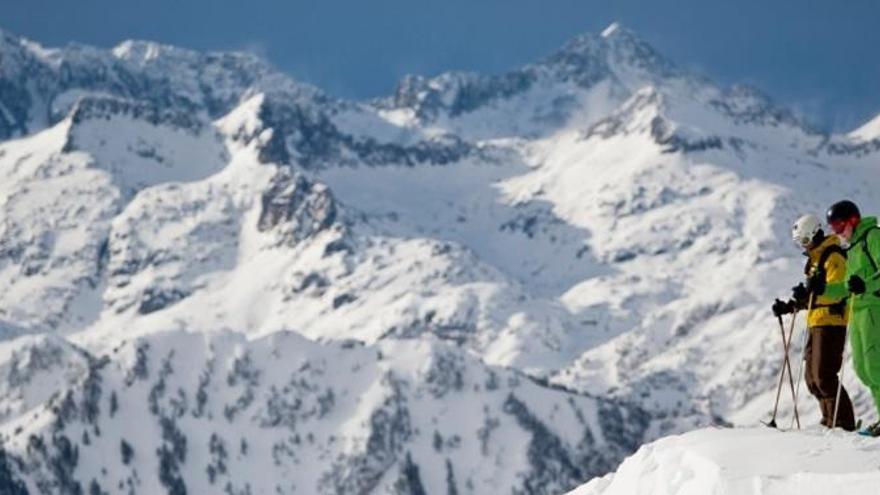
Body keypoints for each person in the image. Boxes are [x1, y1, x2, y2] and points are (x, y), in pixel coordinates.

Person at [772, 214, 855, 430]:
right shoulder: (816, 260)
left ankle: (842, 423)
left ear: (815, 234)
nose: (804, 246)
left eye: (805, 241)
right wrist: (792, 305)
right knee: (812, 379)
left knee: (824, 375)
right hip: (817, 321)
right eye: (800, 243)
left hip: (831, 322)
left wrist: (810, 295)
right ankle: (829, 421)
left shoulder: (833, 257)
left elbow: (837, 292)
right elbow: (814, 294)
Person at [817, 200, 880, 435]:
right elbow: (847, 287)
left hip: (875, 309)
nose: (836, 231)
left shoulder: (872, 237)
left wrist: (867, 284)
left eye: (839, 225)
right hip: (858, 313)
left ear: (853, 220)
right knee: (863, 370)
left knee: (876, 367)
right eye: (833, 227)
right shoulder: (852, 247)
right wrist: (821, 289)